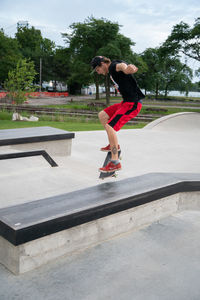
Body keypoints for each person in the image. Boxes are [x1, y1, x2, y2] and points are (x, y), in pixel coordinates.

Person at [91, 56, 145, 173]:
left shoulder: (113, 66)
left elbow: (122, 67)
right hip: (125, 102)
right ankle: (113, 145)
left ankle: (115, 162)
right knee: (102, 115)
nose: (99, 73)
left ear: (102, 64)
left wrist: (128, 69)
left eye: (97, 70)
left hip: (133, 104)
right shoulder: (111, 73)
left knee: (111, 126)